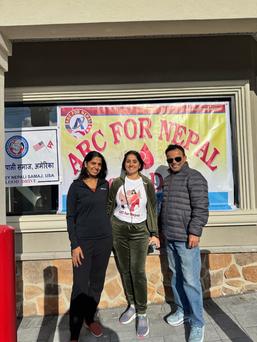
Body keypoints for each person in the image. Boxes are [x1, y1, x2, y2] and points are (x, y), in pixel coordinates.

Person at [106, 150, 160, 338]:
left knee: (137, 271)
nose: (131, 164)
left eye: (134, 161)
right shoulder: (117, 183)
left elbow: (152, 209)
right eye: (128, 161)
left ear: (140, 164)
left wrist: (155, 233)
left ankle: (143, 313)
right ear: (124, 164)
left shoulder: (146, 184)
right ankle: (132, 305)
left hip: (140, 231)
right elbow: (110, 206)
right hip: (119, 230)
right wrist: (107, 230)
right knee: (125, 269)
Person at [160, 144, 209, 342]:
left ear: (184, 157)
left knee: (191, 281)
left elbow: (201, 207)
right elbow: (166, 207)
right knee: (176, 277)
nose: (173, 162)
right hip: (170, 237)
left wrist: (194, 232)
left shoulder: (194, 177)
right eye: (170, 160)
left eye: (177, 159)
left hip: (187, 239)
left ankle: (198, 323)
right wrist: (162, 231)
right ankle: (183, 311)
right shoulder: (168, 180)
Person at [66, 151, 113, 342]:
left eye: (99, 164)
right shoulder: (76, 187)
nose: (96, 167)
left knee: (97, 284)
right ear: (85, 164)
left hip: (104, 241)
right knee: (79, 287)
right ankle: (74, 333)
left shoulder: (105, 185)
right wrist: (74, 245)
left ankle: (89, 318)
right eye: (93, 163)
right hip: (83, 244)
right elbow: (70, 217)